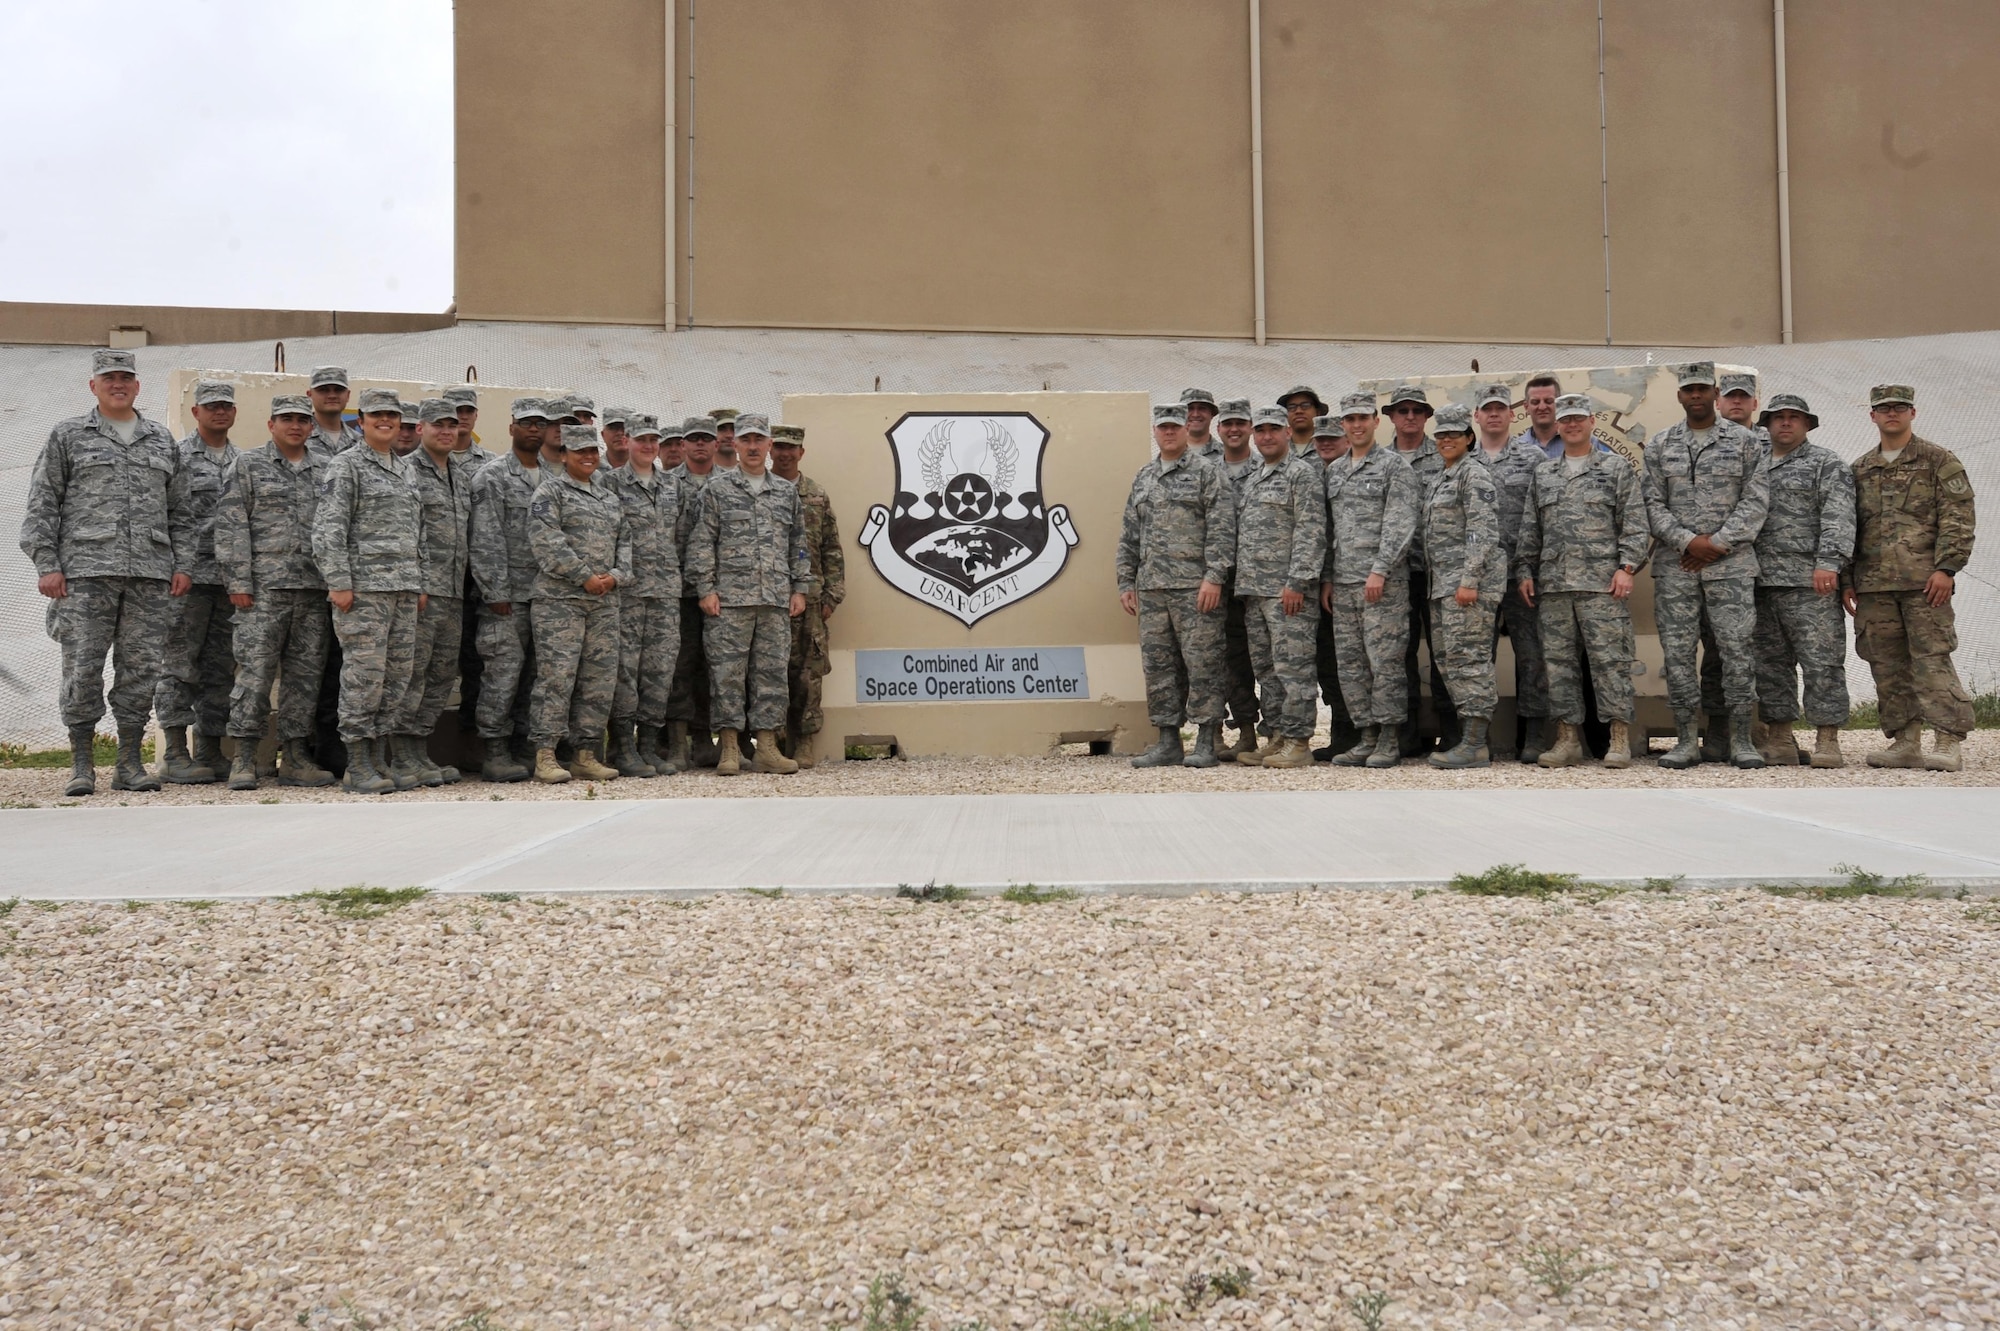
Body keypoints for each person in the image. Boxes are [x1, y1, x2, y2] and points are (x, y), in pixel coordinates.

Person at [20, 348, 195, 795]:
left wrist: (182, 565)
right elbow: (43, 504)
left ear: (137, 386)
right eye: (109, 378)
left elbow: (182, 512)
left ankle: (129, 763)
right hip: (84, 575)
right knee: (82, 668)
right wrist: (47, 564)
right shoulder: (69, 436)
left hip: (150, 576)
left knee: (140, 670)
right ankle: (82, 764)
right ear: (93, 385)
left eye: (126, 378)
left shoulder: (160, 439)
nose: (118, 384)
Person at [1642, 361, 1771, 769]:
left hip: (1731, 567)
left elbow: (1756, 500)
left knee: (1736, 653)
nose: (1695, 396)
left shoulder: (1745, 442)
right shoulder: (1661, 445)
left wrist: (1715, 543)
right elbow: (1651, 505)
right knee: (1678, 655)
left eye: (1702, 389)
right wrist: (1688, 542)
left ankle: (1740, 739)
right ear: (1679, 396)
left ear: (1715, 395)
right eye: (1688, 390)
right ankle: (1684, 739)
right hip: (1676, 566)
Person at [1844, 384, 1978, 771]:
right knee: (1886, 665)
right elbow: (1850, 528)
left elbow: (1958, 517)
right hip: (1874, 586)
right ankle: (1905, 741)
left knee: (1931, 659)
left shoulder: (1938, 460)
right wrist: (1847, 579)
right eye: (1883, 408)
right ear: (1872, 416)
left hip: (1925, 584)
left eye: (1899, 407)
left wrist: (1947, 568)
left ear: (1912, 413)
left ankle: (1947, 739)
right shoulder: (1861, 469)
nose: (1891, 414)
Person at [1515, 394, 1650, 769]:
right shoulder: (1544, 473)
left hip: (1601, 586)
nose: (1572, 425)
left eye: (1578, 419)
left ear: (1592, 422)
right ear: (1557, 425)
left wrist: (1627, 567)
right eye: (1566, 420)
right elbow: (1531, 527)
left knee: (1610, 663)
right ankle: (1567, 739)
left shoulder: (1615, 469)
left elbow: (1635, 524)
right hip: (1555, 586)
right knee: (1558, 666)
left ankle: (1618, 739)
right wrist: (1525, 570)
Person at [212, 395, 334, 790]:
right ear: (271, 424)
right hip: (264, 590)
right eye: (287, 419)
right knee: (255, 674)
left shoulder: (327, 469)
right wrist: (239, 582)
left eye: (302, 419)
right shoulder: (248, 465)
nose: (295, 426)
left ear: (312, 426)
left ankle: (295, 755)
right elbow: (232, 525)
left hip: (314, 590)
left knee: (305, 677)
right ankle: (245, 756)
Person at [311, 387, 428, 795]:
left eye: (392, 416)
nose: (386, 421)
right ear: (360, 422)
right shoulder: (347, 466)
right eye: (377, 415)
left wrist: (421, 581)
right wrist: (339, 582)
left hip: (403, 590)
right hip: (364, 593)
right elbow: (329, 528)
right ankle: (357, 763)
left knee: (396, 678)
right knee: (364, 677)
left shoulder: (407, 468)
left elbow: (419, 531)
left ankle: (379, 758)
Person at [683, 414, 810, 775]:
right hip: (729, 601)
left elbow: (797, 544)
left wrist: (799, 587)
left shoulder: (786, 493)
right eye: (746, 440)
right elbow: (701, 542)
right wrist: (705, 588)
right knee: (726, 675)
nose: (753, 447)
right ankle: (729, 749)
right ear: (734, 445)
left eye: (759, 440)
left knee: (770, 674)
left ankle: (767, 747)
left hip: (773, 599)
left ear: (769, 445)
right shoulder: (717, 491)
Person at [1116, 404, 1236, 768]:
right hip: (1152, 589)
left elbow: (1222, 528)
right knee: (1159, 666)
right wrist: (1126, 580)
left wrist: (1214, 577)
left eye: (1175, 427)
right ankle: (1168, 740)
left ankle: (1206, 741)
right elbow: (1129, 534)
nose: (1168, 433)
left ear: (1186, 430)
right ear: (1154, 431)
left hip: (1194, 589)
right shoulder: (1144, 476)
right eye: (1162, 427)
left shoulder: (1206, 472)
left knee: (1203, 664)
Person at [1750, 393, 1854, 768]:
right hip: (1760, 580)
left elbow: (1838, 516)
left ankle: (1827, 739)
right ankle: (1780, 738)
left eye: (1795, 417)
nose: (1786, 423)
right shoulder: (1753, 463)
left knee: (1821, 661)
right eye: (1778, 417)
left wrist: (1830, 563)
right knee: (1769, 663)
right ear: (1767, 424)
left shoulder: (1825, 463)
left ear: (1807, 424)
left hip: (1810, 582)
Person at [525, 425, 630, 783]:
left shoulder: (609, 498)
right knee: (557, 677)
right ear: (565, 454)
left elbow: (626, 546)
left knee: (598, 679)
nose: (588, 457)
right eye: (580, 450)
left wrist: (615, 576)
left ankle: (586, 753)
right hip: (560, 602)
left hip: (604, 603)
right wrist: (584, 575)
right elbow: (546, 542)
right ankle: (546, 754)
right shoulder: (549, 492)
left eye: (592, 451)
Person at [1322, 391, 1420, 768]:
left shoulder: (1394, 468)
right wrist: (1329, 577)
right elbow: (1331, 530)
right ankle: (1366, 736)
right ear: (1343, 425)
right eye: (1350, 419)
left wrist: (1380, 569)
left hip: (1383, 585)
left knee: (1385, 663)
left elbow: (1400, 524)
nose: (1357, 424)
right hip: (1344, 584)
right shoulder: (1335, 471)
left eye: (1363, 417)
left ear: (1376, 422)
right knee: (1351, 665)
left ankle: (1390, 738)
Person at [154, 378, 241, 785]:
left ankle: (209, 750)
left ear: (234, 412)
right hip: (186, 578)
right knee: (178, 667)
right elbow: (165, 514)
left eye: (225, 405)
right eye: (211, 406)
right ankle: (174, 751)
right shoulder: (177, 456)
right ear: (196, 412)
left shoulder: (243, 461)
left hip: (229, 581)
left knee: (220, 669)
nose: (219, 411)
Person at [465, 397, 552, 783]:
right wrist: (495, 592)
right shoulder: (493, 475)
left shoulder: (555, 477)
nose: (534, 429)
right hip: (507, 597)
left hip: (548, 596)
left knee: (537, 675)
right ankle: (495, 750)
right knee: (502, 675)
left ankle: (525, 746)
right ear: (512, 427)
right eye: (527, 422)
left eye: (540, 423)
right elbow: (485, 537)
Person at [1233, 406, 1325, 768]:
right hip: (1256, 591)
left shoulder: (1300, 474)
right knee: (1268, 670)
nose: (1267, 436)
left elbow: (1311, 531)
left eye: (1274, 429)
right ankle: (1280, 736)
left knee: (1294, 668)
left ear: (1288, 433)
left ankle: (1300, 742)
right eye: (1261, 430)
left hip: (1288, 591)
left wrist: (1298, 581)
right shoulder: (1255, 476)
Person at [390, 399, 472, 787]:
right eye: (438, 425)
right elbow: (404, 531)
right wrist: (416, 583)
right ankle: (402, 756)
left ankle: (420, 750)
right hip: (421, 591)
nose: (446, 431)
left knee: (440, 677)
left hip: (454, 592)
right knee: (412, 674)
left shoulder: (461, 473)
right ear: (420, 429)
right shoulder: (406, 471)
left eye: (452, 425)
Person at [1420, 406, 1506, 767]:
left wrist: (1469, 580)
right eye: (1440, 435)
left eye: (1454, 434)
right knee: (1450, 660)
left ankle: (1475, 744)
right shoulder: (1445, 475)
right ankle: (1467, 738)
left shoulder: (1473, 474)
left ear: (1469, 438)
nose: (1446, 440)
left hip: (1467, 587)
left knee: (1469, 660)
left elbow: (1482, 530)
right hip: (1443, 585)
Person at [1472, 381, 1554, 761]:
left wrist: (1531, 568)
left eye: (1499, 408)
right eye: (1486, 408)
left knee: (1532, 655)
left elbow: (1542, 521)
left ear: (1510, 414)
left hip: (1521, 574)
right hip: (1476, 579)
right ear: (1476, 416)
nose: (1493, 414)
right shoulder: (1463, 462)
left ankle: (1534, 735)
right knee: (1475, 656)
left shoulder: (1533, 459)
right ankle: (1475, 735)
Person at [603, 413, 687, 777]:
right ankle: (623, 748)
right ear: (627, 441)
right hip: (627, 593)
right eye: (641, 439)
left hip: (666, 593)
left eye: (654, 440)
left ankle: (649, 747)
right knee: (625, 671)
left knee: (660, 670)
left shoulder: (672, 486)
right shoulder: (609, 483)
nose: (649, 446)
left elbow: (681, 536)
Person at [1381, 385, 1453, 757]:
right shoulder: (1379, 460)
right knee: (1398, 656)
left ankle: (1451, 732)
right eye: (1402, 410)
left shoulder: (1442, 456)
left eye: (1417, 411)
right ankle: (1406, 733)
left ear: (1427, 416)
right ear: (1390, 417)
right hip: (1394, 574)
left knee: (1444, 653)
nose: (1410, 417)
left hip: (1435, 570)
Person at [770, 423, 845, 768]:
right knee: (769, 671)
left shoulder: (816, 494)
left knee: (808, 674)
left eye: (792, 448)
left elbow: (831, 547)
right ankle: (773, 739)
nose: (785, 454)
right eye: (780, 447)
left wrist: (832, 595)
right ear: (771, 450)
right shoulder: (761, 490)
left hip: (812, 601)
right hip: (768, 598)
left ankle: (804, 741)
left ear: (801, 453)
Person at [665, 416, 724, 768]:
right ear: (682, 445)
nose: (700, 444)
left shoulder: (730, 484)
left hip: (720, 591)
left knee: (713, 667)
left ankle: (705, 739)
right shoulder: (666, 484)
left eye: (706, 438)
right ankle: (676, 743)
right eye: (693, 439)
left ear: (716, 444)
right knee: (678, 666)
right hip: (677, 591)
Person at [1210, 399, 1262, 758]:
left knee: (1264, 658)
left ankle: (1271, 733)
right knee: (1224, 659)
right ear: (1219, 429)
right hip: (1220, 580)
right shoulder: (1206, 471)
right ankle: (1235, 730)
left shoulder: (1266, 469)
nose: (1234, 429)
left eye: (1241, 423)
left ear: (1251, 429)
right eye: (1227, 424)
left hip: (1259, 580)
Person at [1306, 414, 1360, 761]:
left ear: (1346, 440)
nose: (1326, 444)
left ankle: (1359, 733)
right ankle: (1342, 733)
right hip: (1315, 583)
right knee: (1327, 662)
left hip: (1348, 581)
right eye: (1320, 439)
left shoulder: (1354, 473)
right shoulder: (1307, 474)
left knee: (1353, 661)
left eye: (1333, 439)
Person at [305, 366, 360, 458]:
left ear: (348, 395)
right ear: (309, 395)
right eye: (323, 390)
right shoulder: (298, 437)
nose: (332, 395)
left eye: (338, 390)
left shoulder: (360, 442)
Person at [443, 385, 496, 470]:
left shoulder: (490, 462)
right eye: (458, 410)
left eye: (469, 411)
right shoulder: (431, 458)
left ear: (476, 415)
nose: (464, 417)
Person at [1517, 373, 1562, 459]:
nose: (1542, 407)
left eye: (1548, 401)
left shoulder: (1584, 443)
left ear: (1559, 404)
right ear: (1526, 407)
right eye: (1535, 402)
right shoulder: (1515, 449)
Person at [1276, 386, 1325, 460]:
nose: (1298, 411)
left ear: (1317, 412)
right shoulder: (1277, 448)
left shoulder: (1329, 446)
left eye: (1305, 406)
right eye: (1292, 407)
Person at [1180, 388, 1221, 461]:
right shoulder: (1171, 454)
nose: (1195, 414)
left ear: (1212, 414)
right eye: (1190, 409)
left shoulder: (1227, 455)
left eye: (1202, 408)